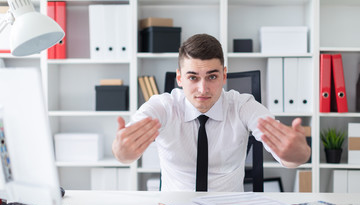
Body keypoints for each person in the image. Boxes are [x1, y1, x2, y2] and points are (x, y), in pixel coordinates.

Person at [112, 34, 311, 192]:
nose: (203, 89)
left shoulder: (242, 105)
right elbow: (125, 148)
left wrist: (296, 155)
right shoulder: (163, 106)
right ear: (179, 78)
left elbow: (287, 154)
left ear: (224, 76)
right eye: (193, 77)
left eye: (212, 76)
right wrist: (123, 153)